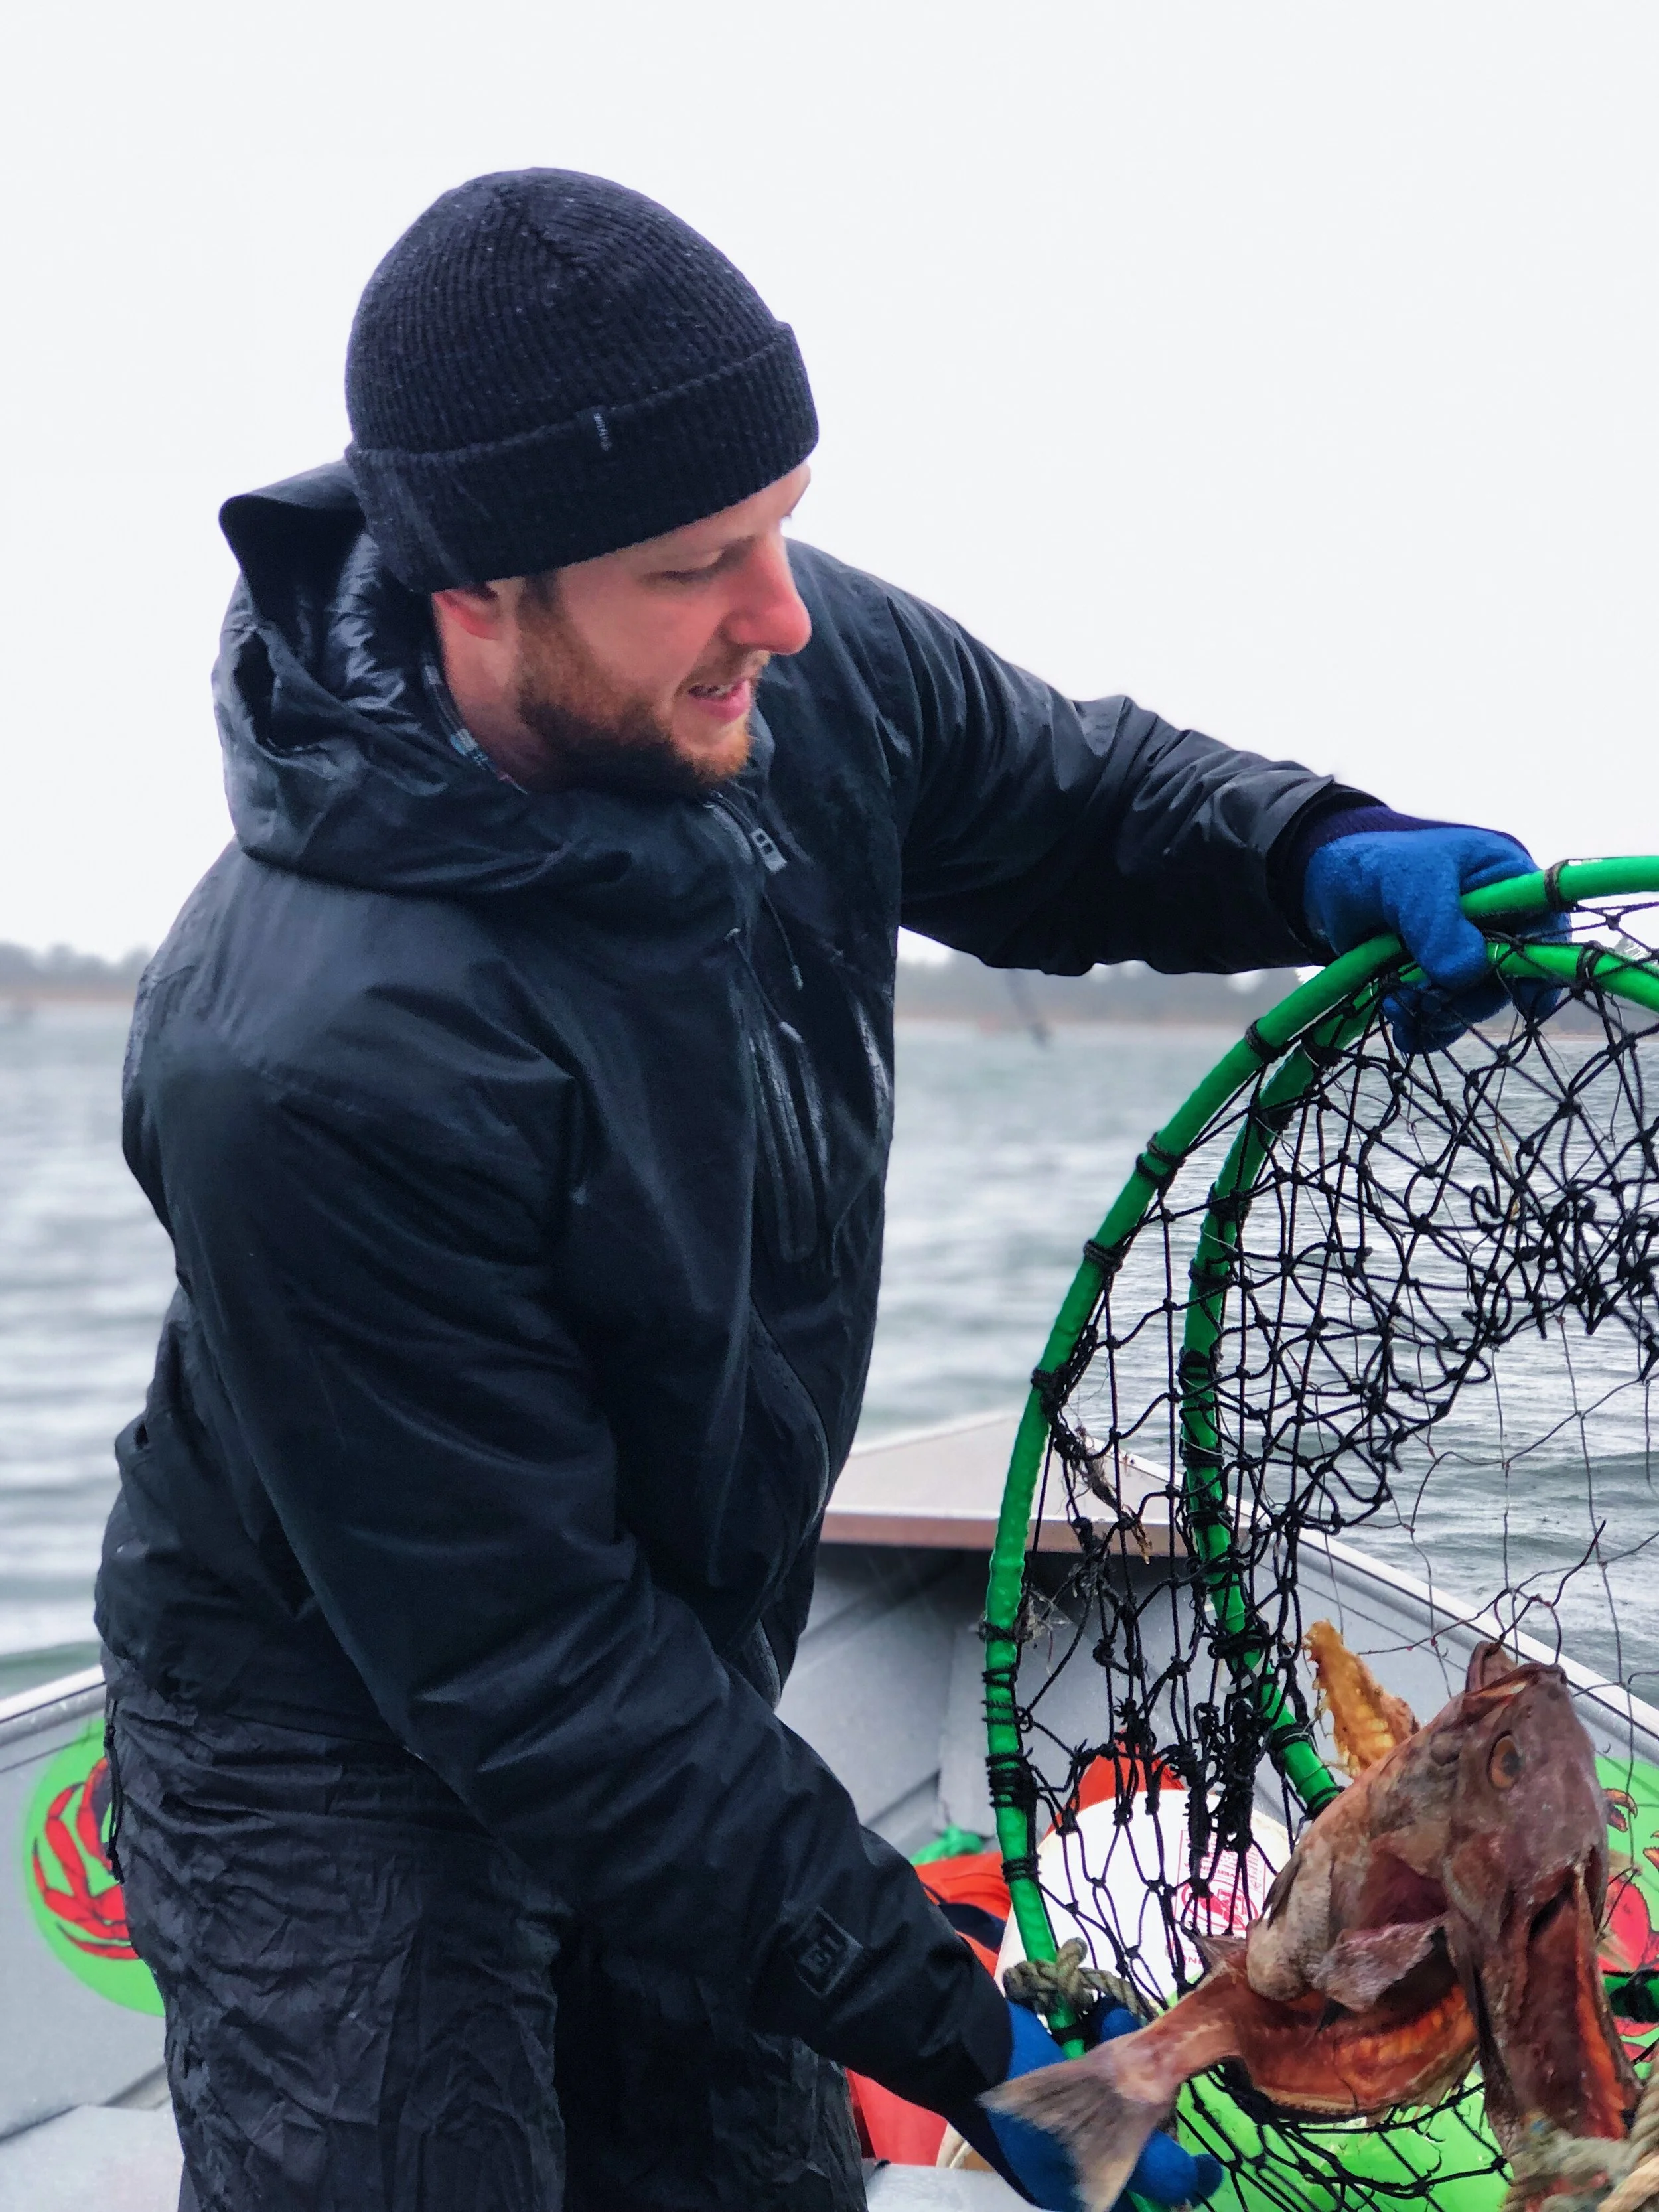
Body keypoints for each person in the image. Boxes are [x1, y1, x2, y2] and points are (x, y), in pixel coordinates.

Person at [95, 169, 1548, 2212]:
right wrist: (973, 2043)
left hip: (677, 1656)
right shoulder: (303, 1055)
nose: (777, 610)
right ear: (476, 594)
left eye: (777, 529)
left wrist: (1311, 846)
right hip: (333, 1728)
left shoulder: (774, 664)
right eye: (705, 565)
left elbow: (1064, 801)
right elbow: (538, 1682)